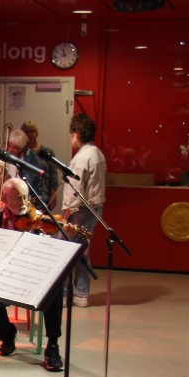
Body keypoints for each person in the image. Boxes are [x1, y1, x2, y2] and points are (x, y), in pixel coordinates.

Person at [0, 178, 67, 372]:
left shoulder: (38, 219)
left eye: (25, 197)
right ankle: (7, 332)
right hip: (3, 276)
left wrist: (56, 234)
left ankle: (53, 345)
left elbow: (52, 250)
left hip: (31, 276)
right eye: (17, 198)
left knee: (56, 286)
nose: (23, 203)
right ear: (5, 199)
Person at [61, 113, 106, 307]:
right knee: (83, 250)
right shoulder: (97, 153)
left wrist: (67, 212)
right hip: (94, 208)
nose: (70, 136)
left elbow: (75, 188)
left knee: (66, 250)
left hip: (80, 210)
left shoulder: (81, 158)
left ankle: (65, 294)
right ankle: (81, 293)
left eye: (72, 133)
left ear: (77, 133)